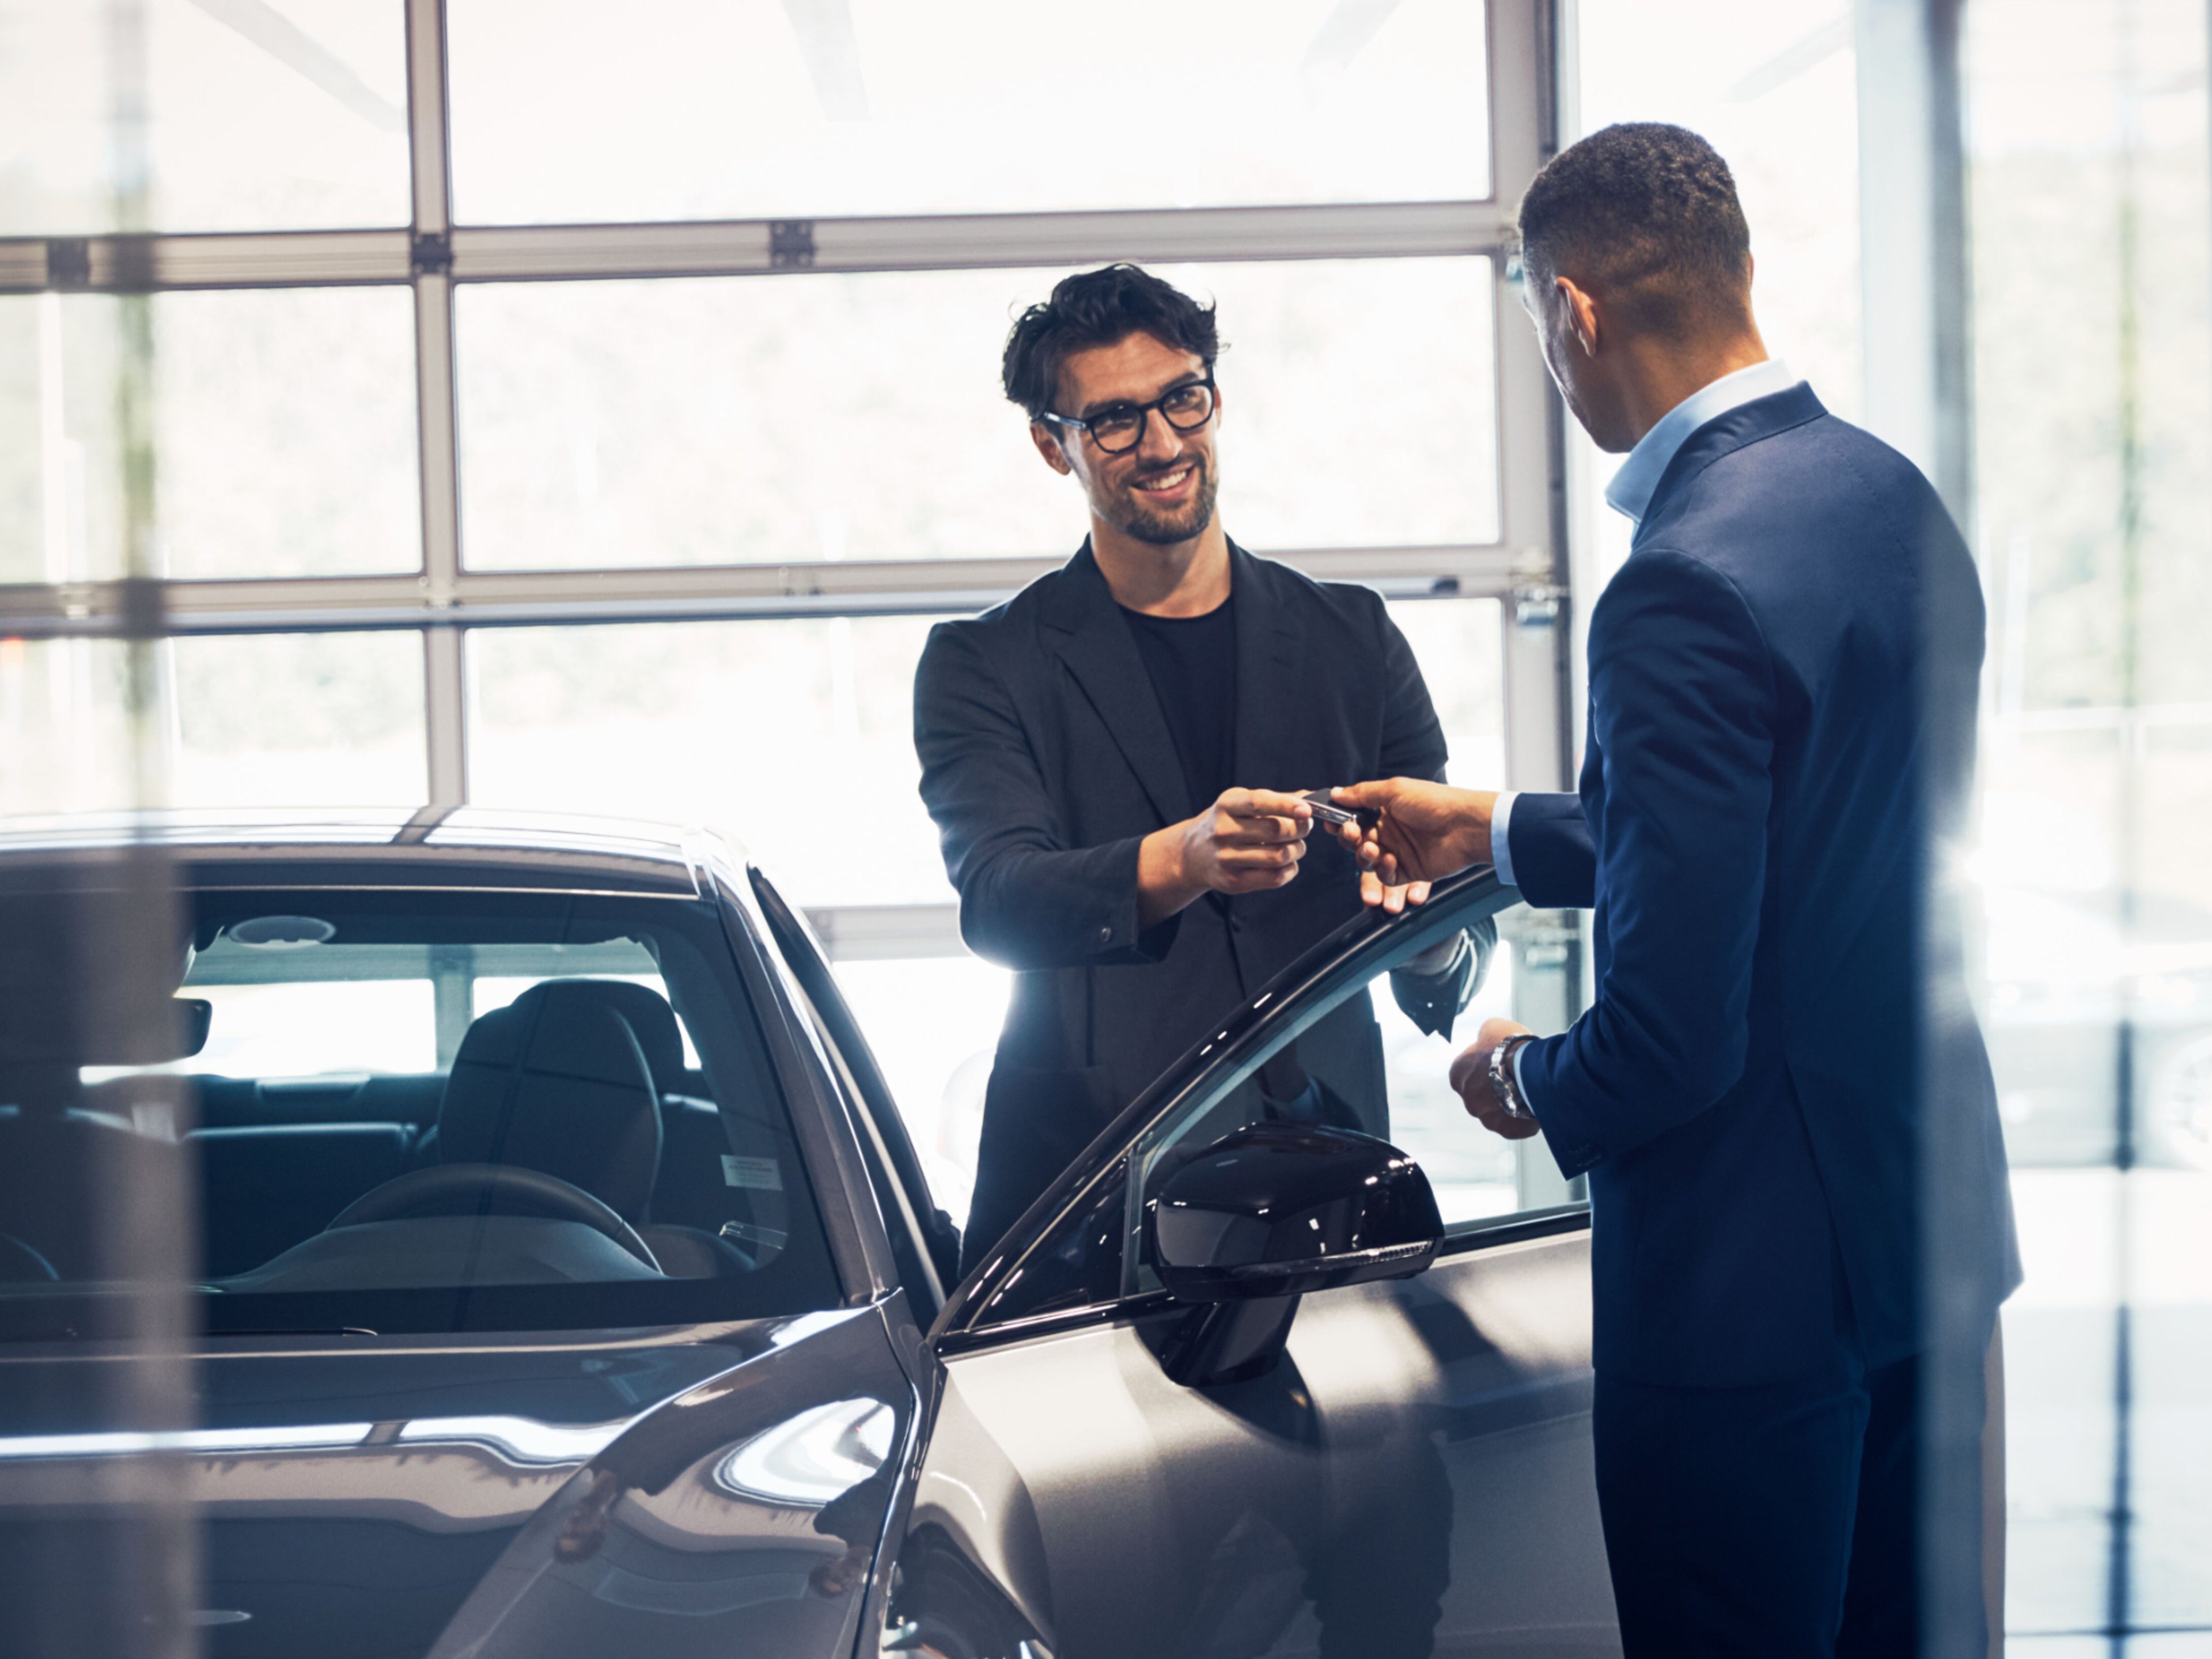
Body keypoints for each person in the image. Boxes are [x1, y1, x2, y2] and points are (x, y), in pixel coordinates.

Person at [1335, 125, 2021, 1656]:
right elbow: (1831, 844)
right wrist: (1500, 830)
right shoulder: (1885, 496)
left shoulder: (1680, 581)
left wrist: (1514, 1073)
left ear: (1572, 313)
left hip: (1740, 1304)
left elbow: (1669, 1041)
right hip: (1924, 1237)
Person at [915, 263, 1476, 1274]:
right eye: (1116, 420)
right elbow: (999, 903)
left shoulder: (1352, 634)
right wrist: (1186, 859)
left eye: (1183, 398)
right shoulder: (983, 661)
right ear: (1054, 445)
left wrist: (1429, 933)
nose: (1165, 443)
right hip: (1082, 1194)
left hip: (1331, 1179)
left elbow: (1445, 920)